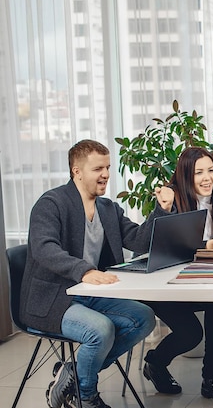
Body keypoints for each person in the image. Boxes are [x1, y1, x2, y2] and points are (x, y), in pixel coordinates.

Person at [20, 140, 158, 408]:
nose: (106, 173)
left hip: (89, 294)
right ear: (77, 171)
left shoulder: (108, 209)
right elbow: (43, 248)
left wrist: (161, 210)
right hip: (52, 300)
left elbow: (140, 241)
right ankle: (86, 395)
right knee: (100, 330)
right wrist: (84, 271)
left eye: (107, 167)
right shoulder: (51, 203)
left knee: (144, 318)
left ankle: (72, 371)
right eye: (98, 168)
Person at [142, 147, 213, 406]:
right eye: (199, 173)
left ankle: (211, 378)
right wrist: (212, 246)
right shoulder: (171, 201)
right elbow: (169, 251)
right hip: (167, 288)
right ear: (185, 175)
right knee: (191, 334)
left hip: (199, 284)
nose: (207, 178)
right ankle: (155, 363)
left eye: (211, 171)